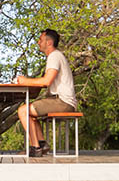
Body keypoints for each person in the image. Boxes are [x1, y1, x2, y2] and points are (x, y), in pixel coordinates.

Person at [14, 29, 76, 157]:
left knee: (23, 111)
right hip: (57, 100)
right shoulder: (54, 56)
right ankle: (41, 144)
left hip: (63, 102)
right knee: (29, 112)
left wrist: (24, 80)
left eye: (40, 40)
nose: (38, 42)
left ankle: (35, 148)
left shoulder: (54, 56)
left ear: (49, 42)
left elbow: (47, 81)